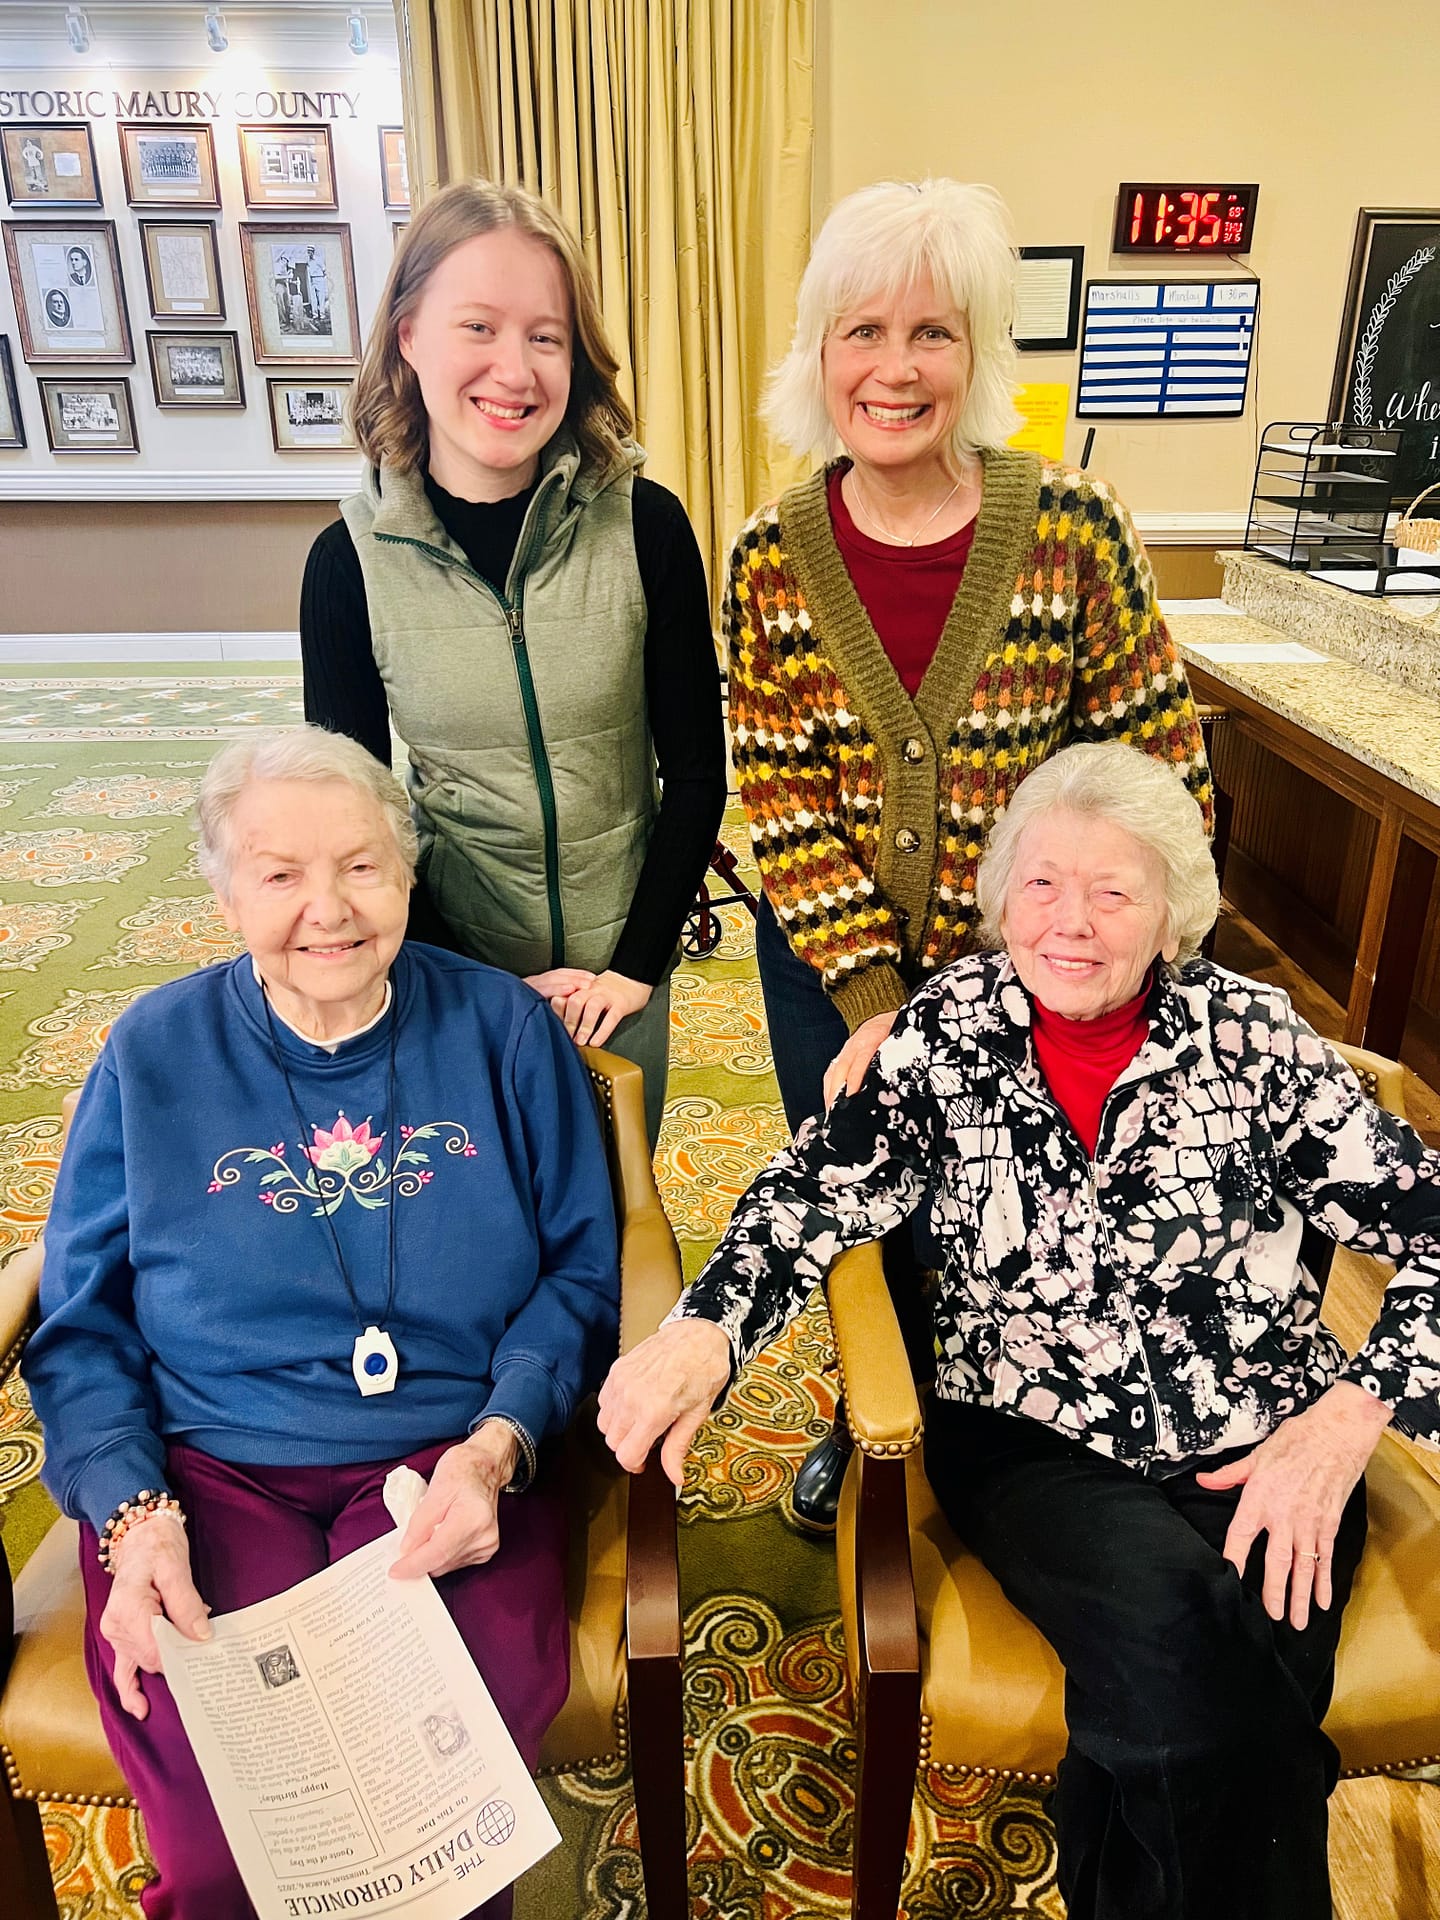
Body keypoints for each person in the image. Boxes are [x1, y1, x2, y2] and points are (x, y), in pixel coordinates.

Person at [598, 741, 1440, 1920]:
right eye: (1042, 883)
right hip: (1034, 1438)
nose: (1072, 923)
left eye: (1114, 890)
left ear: (1172, 913)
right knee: (1207, 1682)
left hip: (1269, 1439)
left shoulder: (1255, 1039)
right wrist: (709, 1332)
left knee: (1195, 1718)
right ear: (1002, 901)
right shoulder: (948, 1034)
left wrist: (1349, 1420)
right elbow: (810, 1193)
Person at [24, 725, 620, 1920]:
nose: (328, 909)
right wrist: (134, 1520)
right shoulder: (151, 1049)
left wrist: (499, 1445)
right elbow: (82, 1319)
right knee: (232, 1837)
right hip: (205, 1477)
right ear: (224, 886)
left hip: (446, 1470)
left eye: (361, 866)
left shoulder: (501, 1030)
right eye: (280, 872)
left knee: (433, 1817)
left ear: (407, 875)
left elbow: (578, 1277)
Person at [724, 177, 1212, 1522]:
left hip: (1040, 963)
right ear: (817, 352)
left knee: (1030, 1203)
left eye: (932, 334)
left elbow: (1159, 769)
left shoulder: (1070, 528)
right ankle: (867, 1412)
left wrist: (1069, 959)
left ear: (979, 355)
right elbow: (782, 798)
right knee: (868, 1193)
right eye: (860, 330)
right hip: (828, 963)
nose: (894, 368)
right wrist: (878, 1005)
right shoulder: (768, 555)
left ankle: (1019, 1429)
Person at [301, 180, 727, 1150]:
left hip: (625, 970)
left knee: (619, 1209)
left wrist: (634, 967)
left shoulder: (646, 527)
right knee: (482, 1209)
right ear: (409, 337)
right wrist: (473, 978)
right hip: (450, 971)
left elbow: (697, 773)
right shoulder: (347, 565)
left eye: (546, 335)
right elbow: (354, 822)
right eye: (479, 326)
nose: (515, 367)